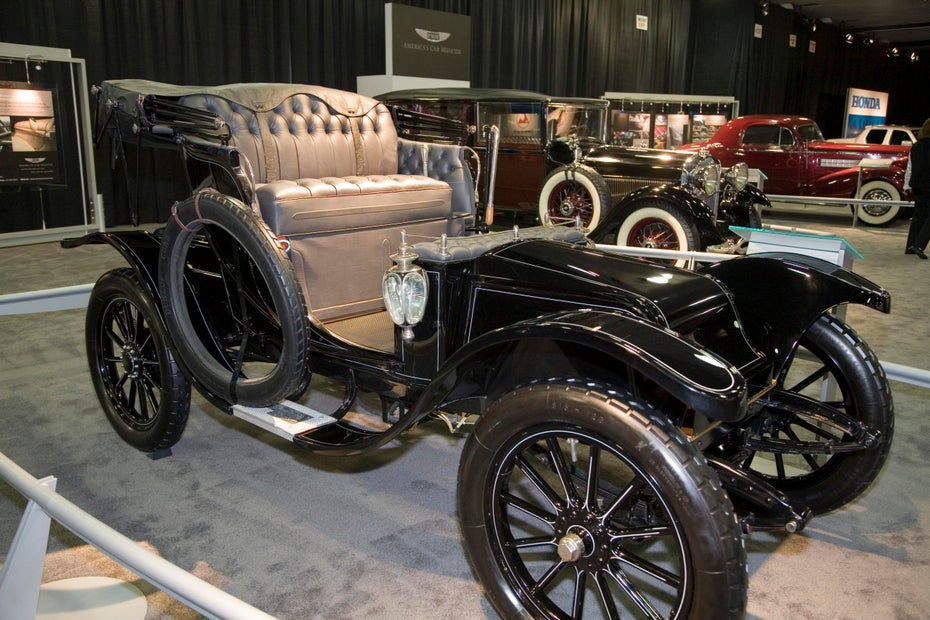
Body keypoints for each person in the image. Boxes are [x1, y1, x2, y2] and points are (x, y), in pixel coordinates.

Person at [904, 117, 930, 259]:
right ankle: (919, 245)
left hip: (918, 185)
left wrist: (906, 185)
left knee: (919, 215)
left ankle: (910, 246)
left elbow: (910, 167)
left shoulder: (916, 146)